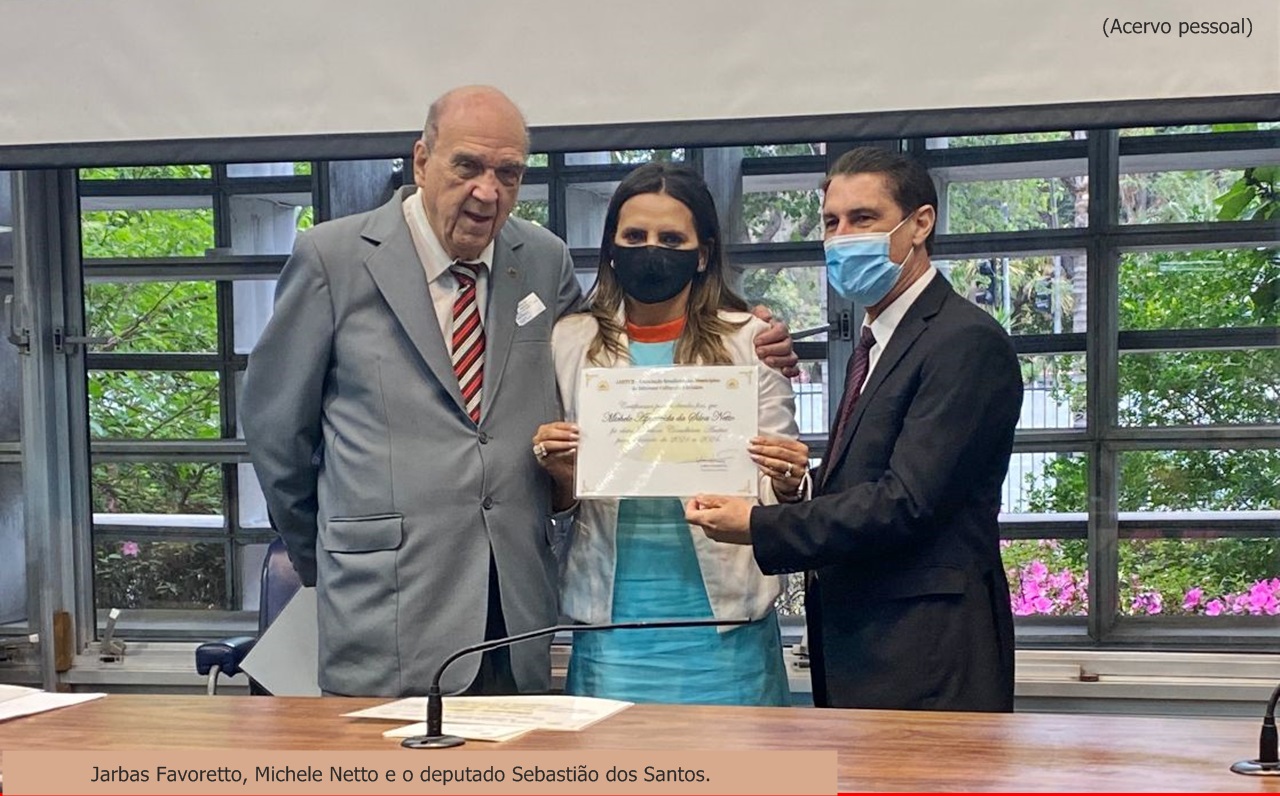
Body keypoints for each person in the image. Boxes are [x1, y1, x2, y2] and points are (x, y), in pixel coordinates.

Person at [240, 85, 797, 698]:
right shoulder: (333, 257)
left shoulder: (541, 260)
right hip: (386, 602)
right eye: (467, 166)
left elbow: (601, 358)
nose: (488, 191)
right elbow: (276, 431)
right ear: (422, 160)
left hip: (516, 606)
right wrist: (330, 552)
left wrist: (755, 334)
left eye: (508, 173)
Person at [685, 147, 1023, 712]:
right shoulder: (877, 340)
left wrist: (759, 524)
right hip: (864, 649)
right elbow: (868, 478)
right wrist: (799, 485)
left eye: (863, 218)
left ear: (921, 223)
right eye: (831, 222)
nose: (842, 238)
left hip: (927, 657)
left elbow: (907, 502)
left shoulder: (963, 340)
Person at [531, 163, 810, 706]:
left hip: (728, 628)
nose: (651, 250)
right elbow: (557, 501)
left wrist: (789, 480)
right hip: (611, 627)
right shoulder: (568, 341)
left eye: (672, 239)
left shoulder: (750, 340)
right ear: (611, 247)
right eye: (634, 236)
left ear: (702, 253)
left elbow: (780, 491)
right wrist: (560, 473)